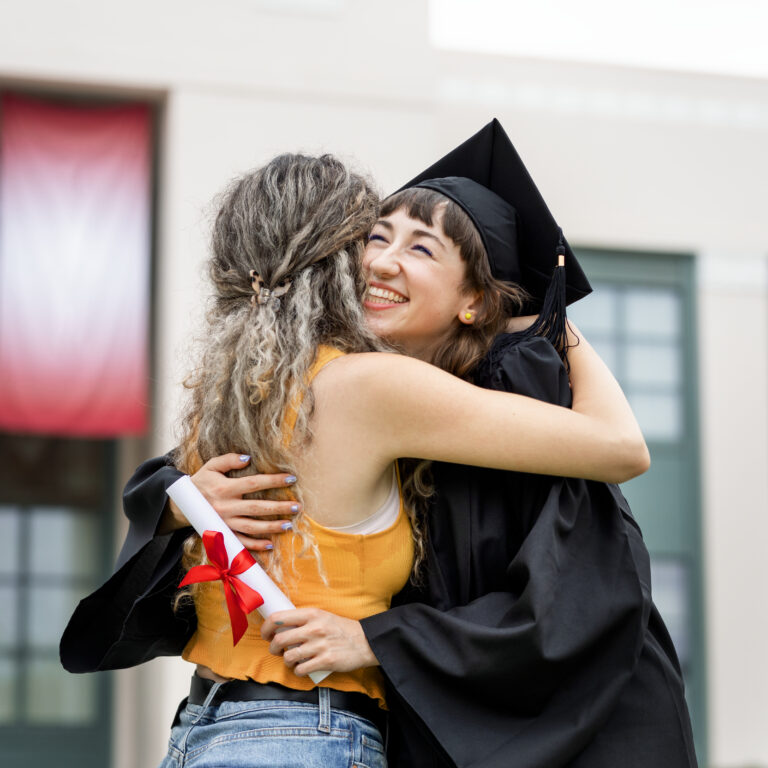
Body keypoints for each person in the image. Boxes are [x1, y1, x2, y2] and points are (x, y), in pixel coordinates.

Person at [58, 127, 669, 767]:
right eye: (374, 237)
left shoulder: (249, 384)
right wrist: (555, 318)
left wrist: (181, 498)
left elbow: (162, 488)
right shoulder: (371, 387)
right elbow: (618, 443)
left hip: (204, 732)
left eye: (421, 247)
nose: (380, 260)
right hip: (297, 734)